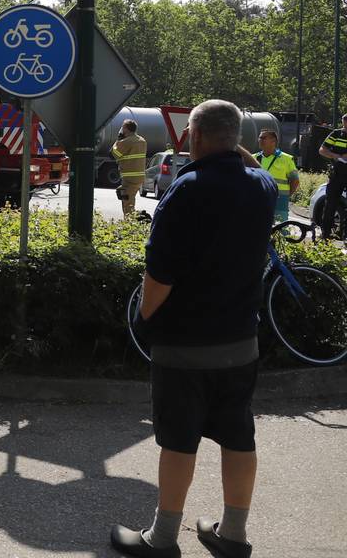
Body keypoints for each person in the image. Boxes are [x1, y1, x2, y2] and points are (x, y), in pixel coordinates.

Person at [111, 99, 275, 558]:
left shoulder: (186, 191)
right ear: (238, 139)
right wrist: (229, 142)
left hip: (185, 343)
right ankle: (232, 535)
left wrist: (144, 320)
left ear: (194, 138)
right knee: (239, 435)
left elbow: (160, 274)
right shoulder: (260, 186)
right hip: (241, 340)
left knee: (179, 440)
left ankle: (162, 540)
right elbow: (244, 160)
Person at [253, 128, 299, 223]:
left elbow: (295, 180)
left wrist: (286, 196)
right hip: (258, 198)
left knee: (281, 228)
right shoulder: (254, 158)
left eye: (263, 138)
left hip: (280, 200)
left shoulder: (286, 159)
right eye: (259, 137)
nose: (260, 140)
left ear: (273, 141)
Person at [317, 113, 347, 239]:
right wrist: (337, 156)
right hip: (337, 173)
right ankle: (325, 234)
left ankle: (344, 235)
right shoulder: (336, 134)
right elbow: (322, 150)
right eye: (345, 122)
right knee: (330, 204)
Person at [111, 119, 148, 217]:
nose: (122, 129)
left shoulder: (126, 141)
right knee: (124, 195)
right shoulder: (142, 140)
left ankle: (139, 219)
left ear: (126, 129)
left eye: (123, 127)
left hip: (129, 178)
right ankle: (136, 218)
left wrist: (118, 140)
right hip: (139, 177)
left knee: (127, 203)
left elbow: (113, 154)